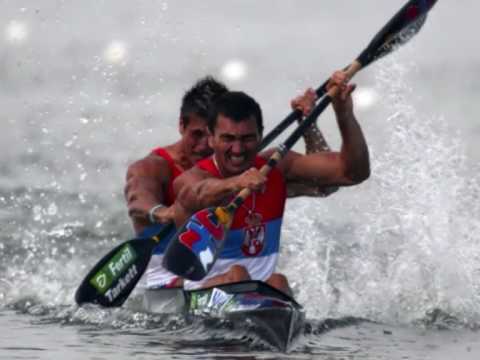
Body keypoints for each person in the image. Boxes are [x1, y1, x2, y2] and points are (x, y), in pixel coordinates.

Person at [124, 76, 334, 289]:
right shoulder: (154, 167)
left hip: (233, 277)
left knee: (275, 282)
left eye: (211, 136)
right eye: (196, 134)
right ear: (181, 125)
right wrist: (166, 213)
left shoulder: (241, 166)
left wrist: (309, 124)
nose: (204, 145)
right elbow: (137, 202)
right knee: (237, 276)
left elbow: (324, 185)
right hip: (170, 281)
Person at [171, 70, 370, 294]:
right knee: (238, 274)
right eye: (228, 139)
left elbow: (352, 174)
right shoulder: (190, 178)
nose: (237, 150)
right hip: (204, 291)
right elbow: (197, 193)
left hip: (262, 292)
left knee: (278, 282)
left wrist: (342, 114)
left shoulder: (276, 167)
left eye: (247, 139)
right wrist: (237, 182)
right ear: (211, 137)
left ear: (260, 134)